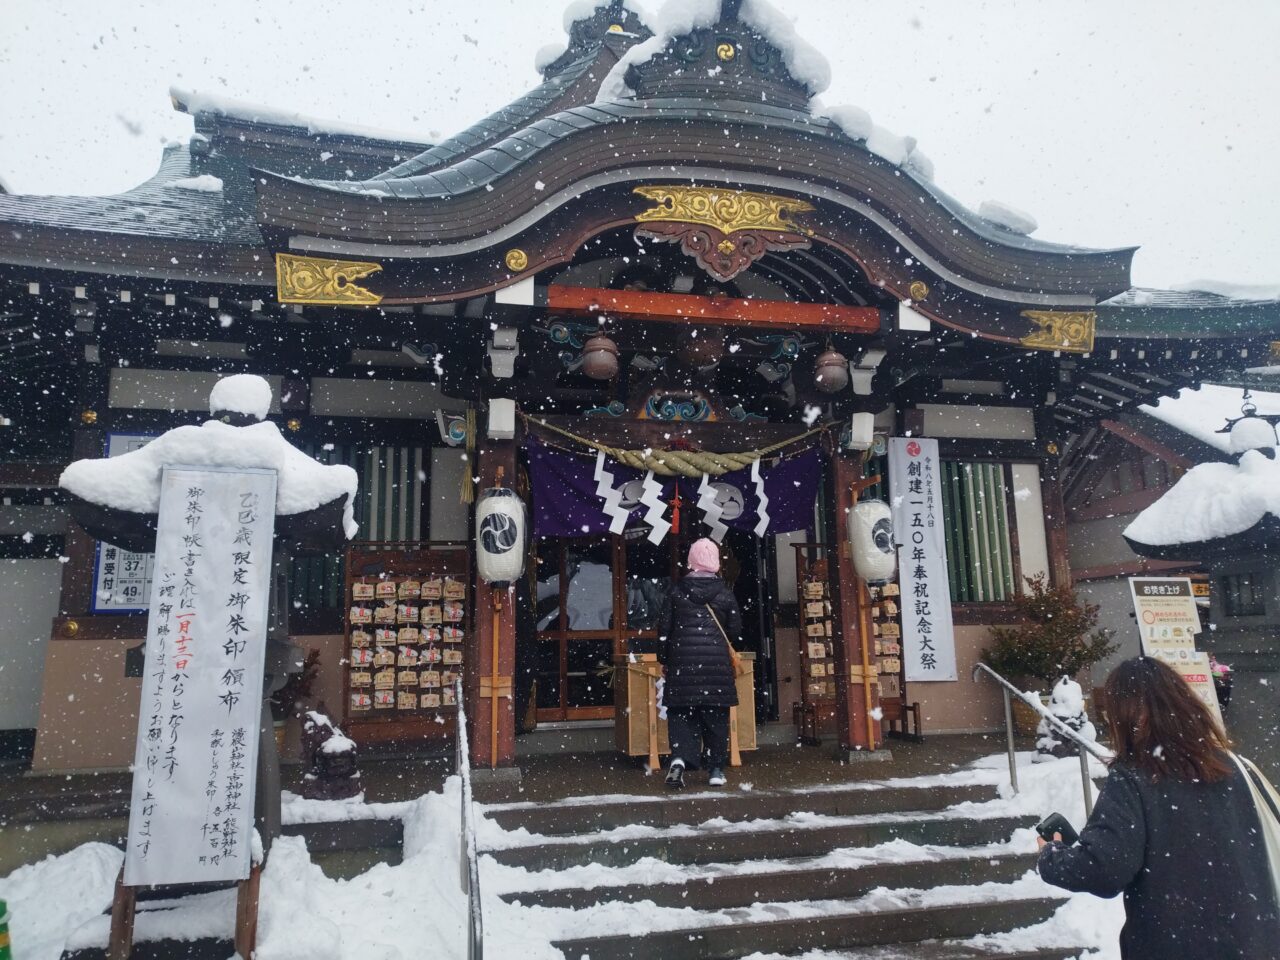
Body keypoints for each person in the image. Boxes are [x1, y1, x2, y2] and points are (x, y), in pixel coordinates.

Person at [1036, 657, 1279, 959]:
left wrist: (1052, 857)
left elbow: (1105, 869)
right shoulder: (1232, 766)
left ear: (1122, 716)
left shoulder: (1134, 777)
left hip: (1176, 944)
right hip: (1254, 939)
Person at [657, 538, 742, 789]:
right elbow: (735, 632)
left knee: (681, 715)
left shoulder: (675, 591)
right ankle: (716, 769)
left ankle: (680, 760)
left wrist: (664, 658)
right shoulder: (725, 594)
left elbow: (664, 629)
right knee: (716, 718)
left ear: (691, 562)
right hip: (716, 669)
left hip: (682, 666)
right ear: (716, 563)